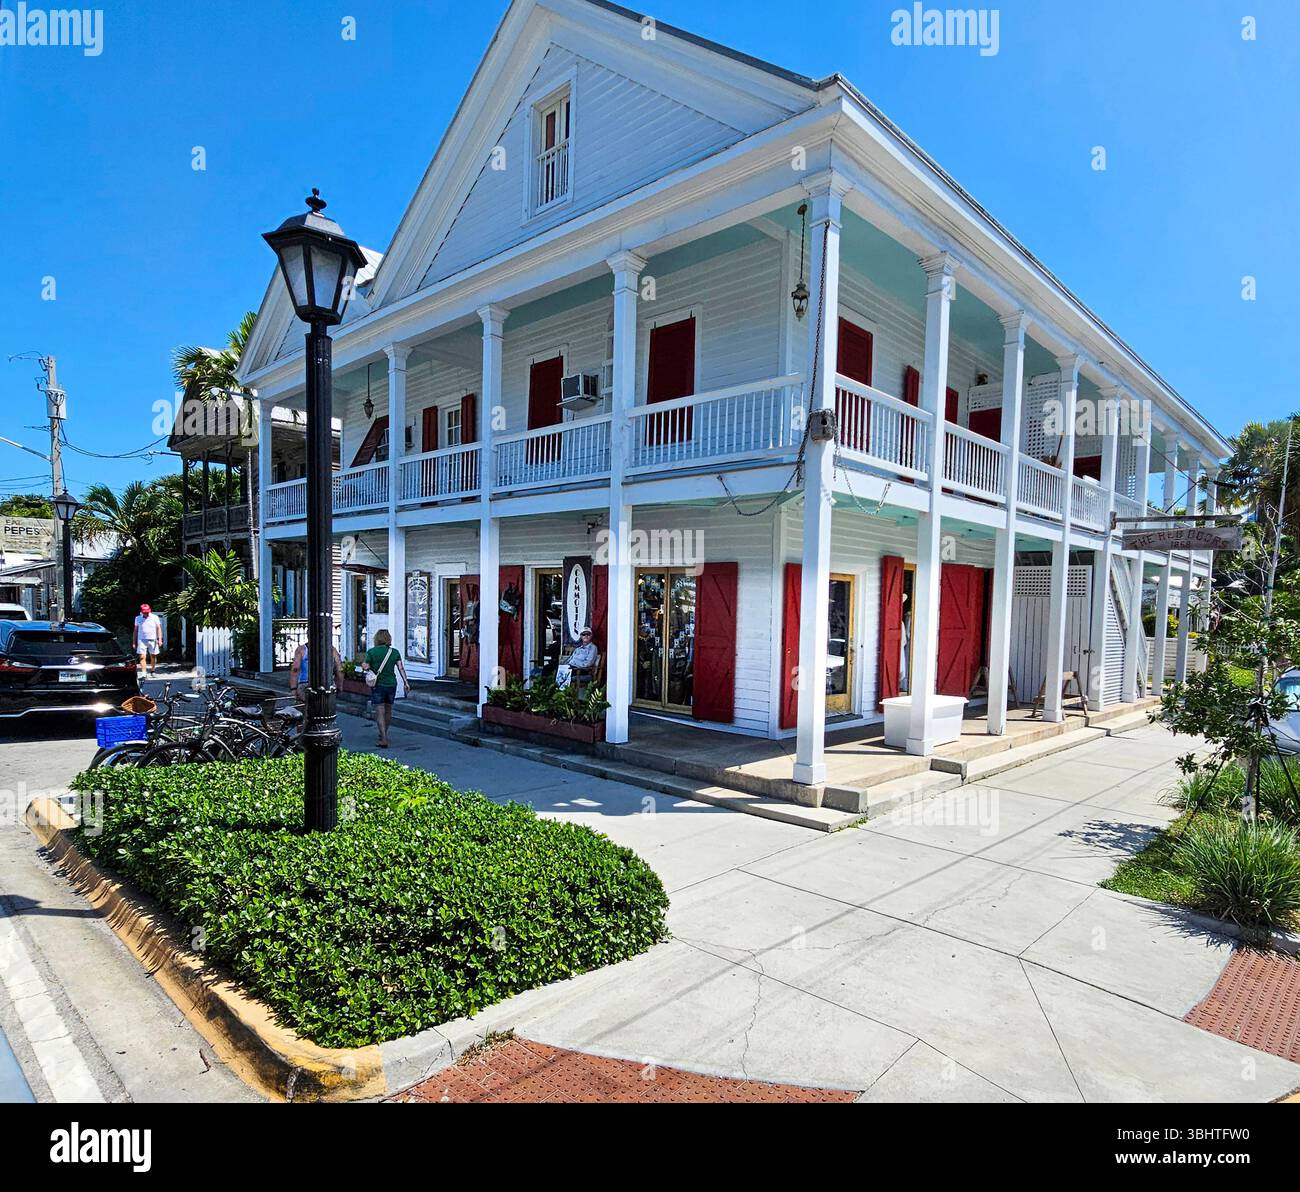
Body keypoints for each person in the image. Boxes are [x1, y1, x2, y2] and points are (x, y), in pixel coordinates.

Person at [363, 629, 411, 748]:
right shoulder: (394, 652)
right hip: (391, 684)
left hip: (378, 685)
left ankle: (383, 737)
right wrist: (406, 682)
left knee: (380, 711)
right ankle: (385, 733)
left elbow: (366, 666)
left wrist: (365, 667)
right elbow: (401, 668)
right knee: (388, 710)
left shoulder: (371, 652)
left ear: (377, 639)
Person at [289, 639, 344, 704]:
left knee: (305, 708)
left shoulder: (302, 650)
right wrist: (339, 686)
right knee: (326, 708)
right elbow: (339, 669)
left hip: (305, 684)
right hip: (327, 685)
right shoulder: (332, 649)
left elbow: (295, 669)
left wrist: (293, 689)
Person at [132, 603, 163, 676]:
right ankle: (144, 672)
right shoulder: (137, 618)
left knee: (153, 655)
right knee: (142, 656)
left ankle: (153, 670)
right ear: (142, 612)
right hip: (141, 640)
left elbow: (159, 628)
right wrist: (134, 642)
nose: (146, 614)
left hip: (153, 639)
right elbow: (135, 630)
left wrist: (160, 639)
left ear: (149, 610)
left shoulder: (155, 617)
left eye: (147, 612)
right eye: (144, 612)